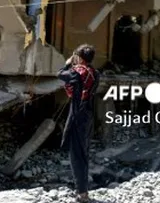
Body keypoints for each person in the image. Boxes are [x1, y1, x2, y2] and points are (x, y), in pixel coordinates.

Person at [58, 44, 100, 202]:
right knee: (84, 152)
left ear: (80, 58)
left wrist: (68, 63)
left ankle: (82, 193)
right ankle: (83, 191)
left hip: (78, 114)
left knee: (76, 155)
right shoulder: (95, 73)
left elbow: (61, 74)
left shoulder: (79, 71)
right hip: (88, 114)